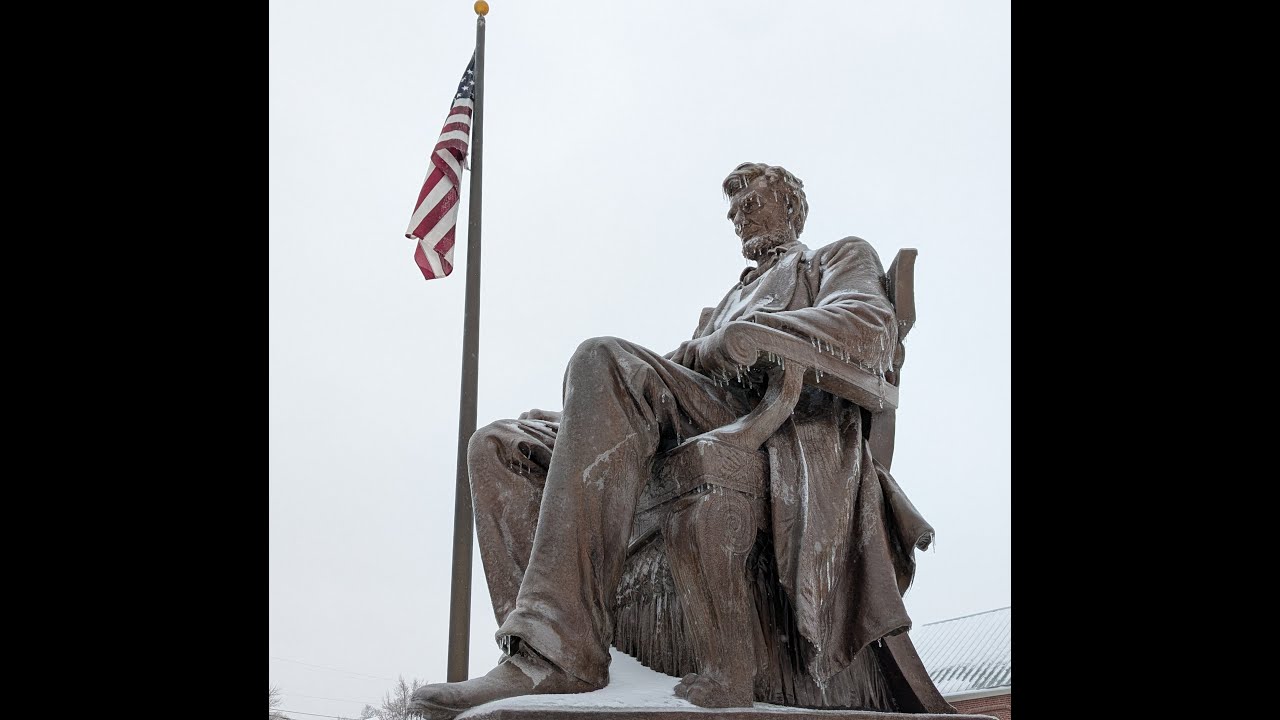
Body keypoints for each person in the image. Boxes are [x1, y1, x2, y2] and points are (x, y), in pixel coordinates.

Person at [408, 163, 948, 719]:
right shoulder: (722, 304)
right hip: (701, 410)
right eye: (734, 211)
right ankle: (536, 646)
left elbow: (868, 328)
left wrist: (751, 337)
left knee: (600, 356)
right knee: (499, 445)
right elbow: (663, 374)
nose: (739, 218)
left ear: (790, 205)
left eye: (752, 204)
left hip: (775, 428)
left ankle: (560, 654)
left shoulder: (833, 257)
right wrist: (573, 422)